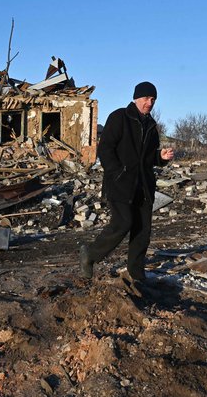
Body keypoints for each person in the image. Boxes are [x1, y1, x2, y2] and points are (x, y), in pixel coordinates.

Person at [80, 81, 174, 282]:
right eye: (147, 98)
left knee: (142, 230)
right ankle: (90, 255)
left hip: (144, 186)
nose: (150, 103)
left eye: (153, 99)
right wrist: (117, 172)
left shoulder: (151, 125)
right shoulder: (119, 117)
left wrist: (161, 157)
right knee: (123, 222)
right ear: (136, 98)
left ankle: (137, 273)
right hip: (120, 183)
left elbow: (149, 157)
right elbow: (105, 149)